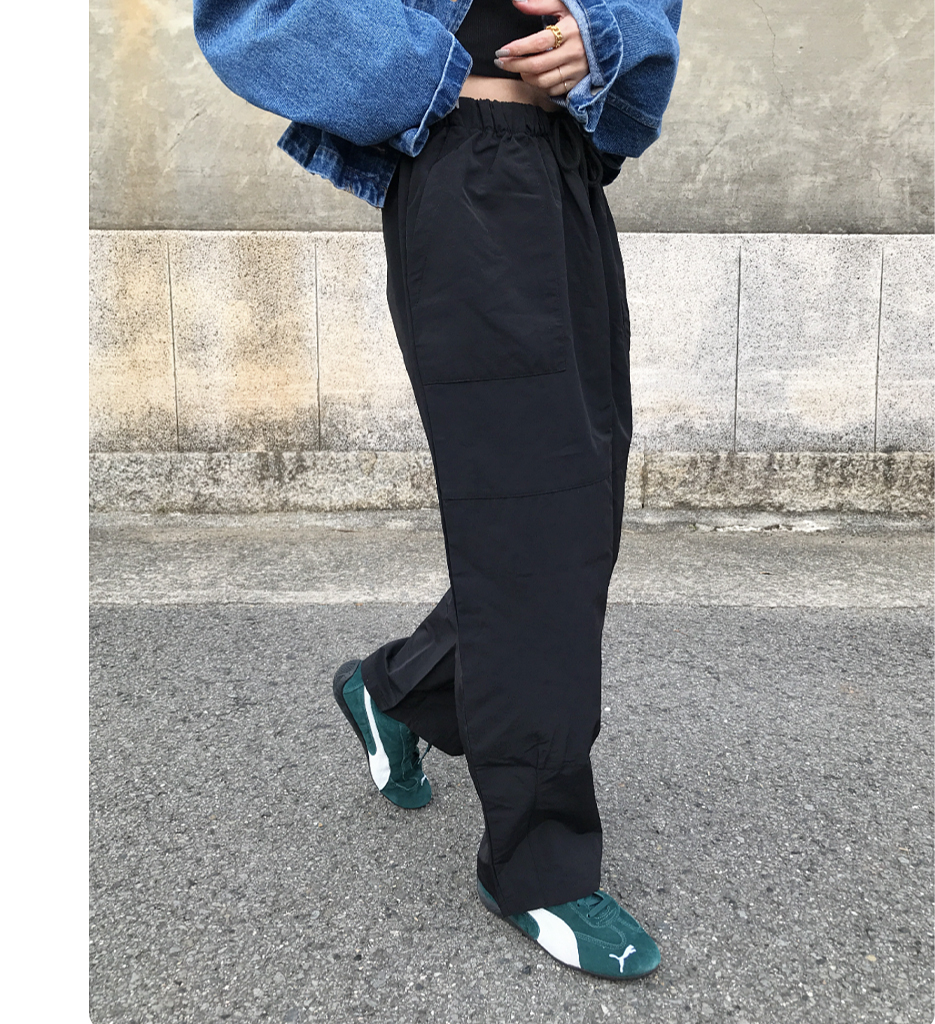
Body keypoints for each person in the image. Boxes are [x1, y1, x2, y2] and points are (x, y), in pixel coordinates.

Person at [193, 0, 682, 980]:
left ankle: (397, 690)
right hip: (466, 169)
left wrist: (603, 39)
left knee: (579, 513)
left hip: (562, 166)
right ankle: (533, 867)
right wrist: (430, 74)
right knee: (534, 525)